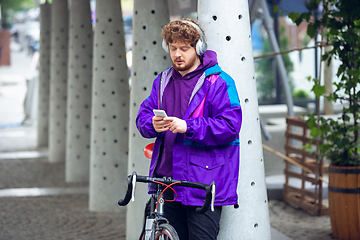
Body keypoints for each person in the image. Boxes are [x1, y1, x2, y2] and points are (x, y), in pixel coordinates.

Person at [136, 18, 242, 240]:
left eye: (184, 48)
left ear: (199, 48)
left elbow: (231, 125)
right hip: (166, 182)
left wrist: (188, 126)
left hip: (202, 183)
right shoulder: (163, 80)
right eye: (173, 48)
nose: (177, 54)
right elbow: (143, 117)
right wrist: (151, 124)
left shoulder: (219, 82)